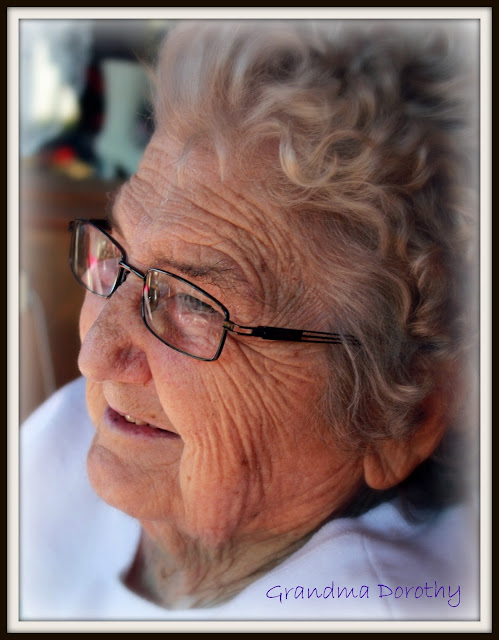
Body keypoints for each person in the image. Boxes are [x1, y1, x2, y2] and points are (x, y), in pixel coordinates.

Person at [20, 19, 479, 621]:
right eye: (119, 256)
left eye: (194, 302)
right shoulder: (67, 435)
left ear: (404, 418)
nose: (94, 355)